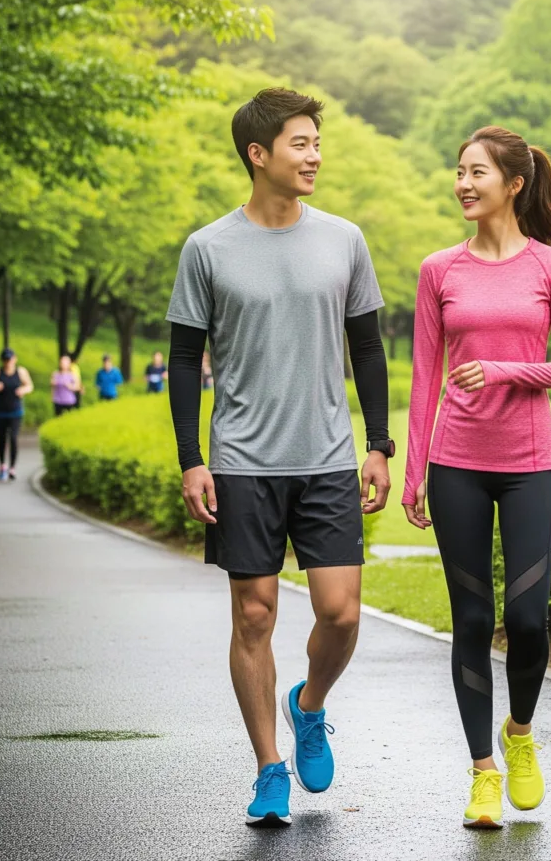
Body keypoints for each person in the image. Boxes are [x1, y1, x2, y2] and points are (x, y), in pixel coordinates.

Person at [166, 88, 391, 829]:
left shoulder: (344, 239)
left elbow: (367, 347)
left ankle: (310, 705)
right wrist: (191, 458)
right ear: (258, 154)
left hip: (326, 457)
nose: (315, 155)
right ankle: (268, 769)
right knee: (254, 615)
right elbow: (183, 356)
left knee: (342, 611)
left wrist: (380, 444)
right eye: (301, 143)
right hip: (241, 463)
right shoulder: (208, 248)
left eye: (317, 141)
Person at [403, 125, 551, 830]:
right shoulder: (438, 269)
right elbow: (425, 376)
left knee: (529, 621)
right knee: (473, 620)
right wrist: (415, 470)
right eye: (458, 171)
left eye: (476, 172)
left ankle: (520, 733)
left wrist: (506, 369)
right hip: (457, 464)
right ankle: (482, 773)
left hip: (530, 464)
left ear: (514, 184)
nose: (463, 183)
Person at [0, 348, 33, 481]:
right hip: (0, 411)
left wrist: (23, 390)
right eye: (5, 360)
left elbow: (30, 385)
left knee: (13, 438)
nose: (8, 362)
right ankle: (2, 465)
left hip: (16, 411)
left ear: (15, 359)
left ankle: (12, 467)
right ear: (2, 360)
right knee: (1, 439)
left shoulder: (21, 372)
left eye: (10, 359)